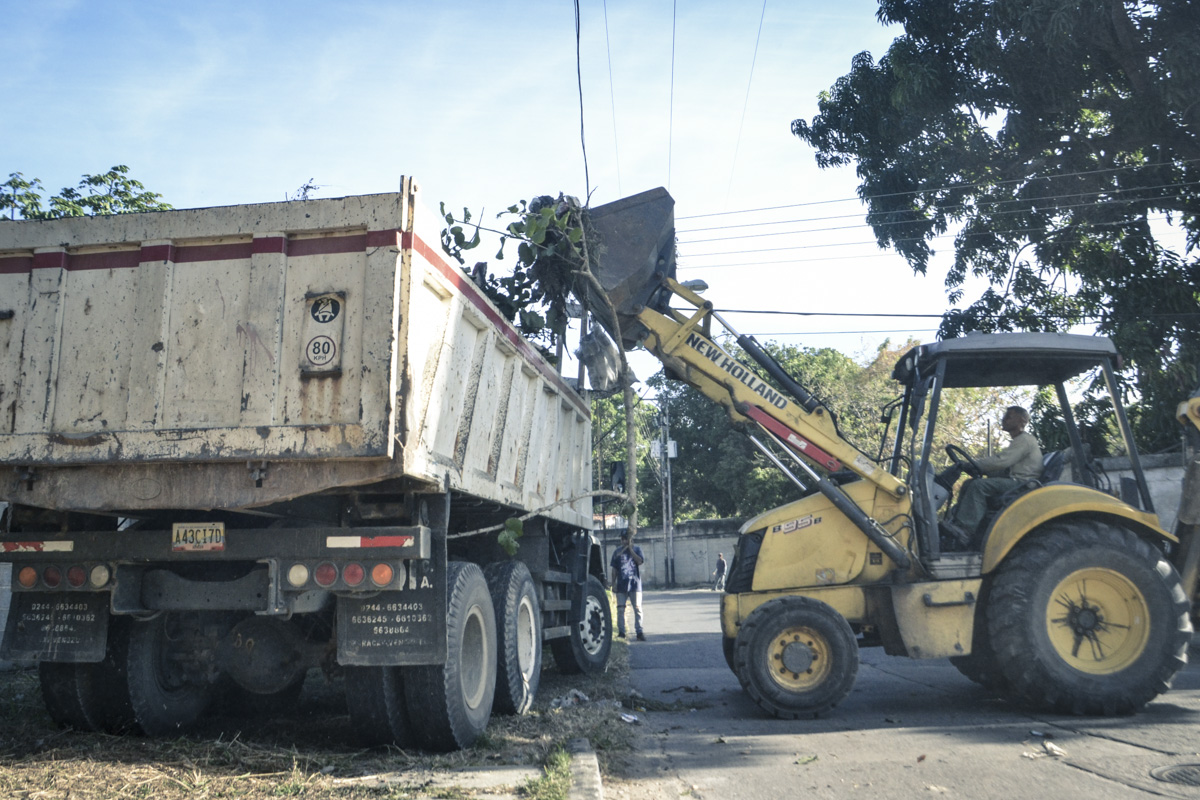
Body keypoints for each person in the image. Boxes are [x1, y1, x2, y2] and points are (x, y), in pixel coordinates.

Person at [947, 405, 1043, 540]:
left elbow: (1002, 461)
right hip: (1015, 481)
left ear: (1022, 420)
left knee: (978, 486)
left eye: (1009, 417)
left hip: (1022, 485)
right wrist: (976, 468)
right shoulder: (1018, 441)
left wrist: (975, 464)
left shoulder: (1025, 440)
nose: (1004, 419)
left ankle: (965, 530)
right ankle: (956, 524)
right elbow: (1003, 468)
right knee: (969, 483)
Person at [610, 532, 645, 640]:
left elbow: (639, 561)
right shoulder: (617, 552)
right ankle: (621, 632)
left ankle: (639, 632)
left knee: (637, 609)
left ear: (630, 540)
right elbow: (614, 569)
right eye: (622, 539)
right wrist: (613, 583)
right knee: (620, 609)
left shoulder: (637, 549)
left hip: (635, 586)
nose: (623, 541)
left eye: (626, 539)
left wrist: (630, 550)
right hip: (621, 586)